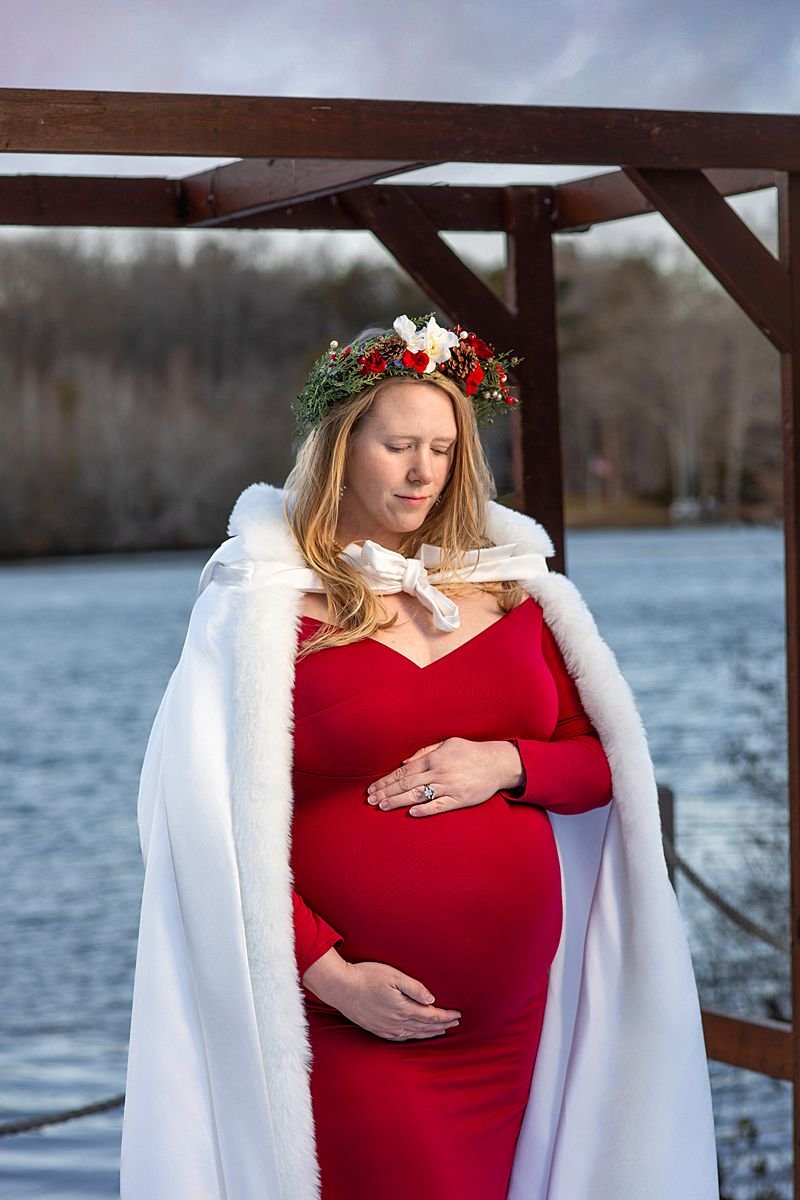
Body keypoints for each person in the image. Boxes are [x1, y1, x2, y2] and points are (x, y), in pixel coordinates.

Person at [120, 313, 719, 1199]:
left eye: (441, 448)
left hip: (507, 1030)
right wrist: (329, 974)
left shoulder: (513, 591)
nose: (422, 472)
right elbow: (198, 821)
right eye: (399, 444)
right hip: (351, 1016)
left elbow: (602, 766)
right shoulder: (259, 606)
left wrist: (506, 763)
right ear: (341, 445)